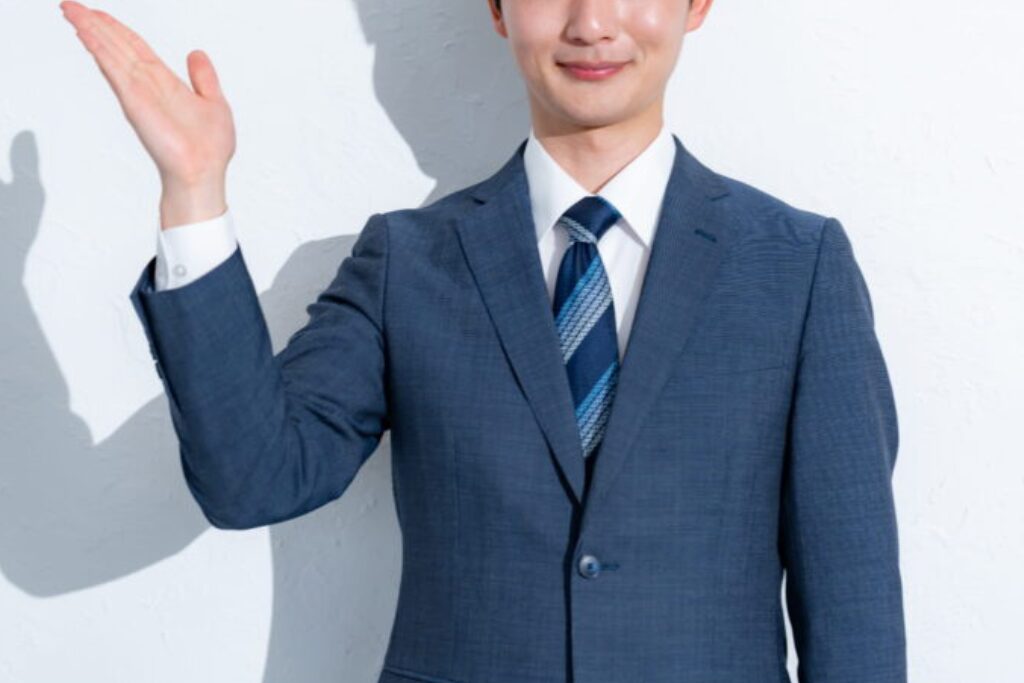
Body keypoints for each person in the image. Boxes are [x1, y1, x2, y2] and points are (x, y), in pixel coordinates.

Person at [60, 0, 907, 680]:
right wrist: (195, 193)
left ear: (698, 4)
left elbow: (853, 607)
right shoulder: (407, 262)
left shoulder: (798, 267)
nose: (591, 23)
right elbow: (252, 480)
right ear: (497, 9)